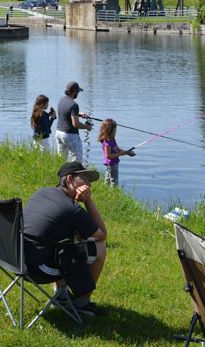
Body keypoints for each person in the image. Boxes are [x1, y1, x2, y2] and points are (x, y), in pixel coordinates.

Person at [22, 161, 109, 318]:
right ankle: (82, 303)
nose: (89, 184)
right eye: (85, 178)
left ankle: (61, 297)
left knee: (63, 242)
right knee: (100, 248)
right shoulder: (71, 208)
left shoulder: (42, 192)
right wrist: (88, 201)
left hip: (16, 260)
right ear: (69, 179)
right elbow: (102, 234)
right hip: (38, 270)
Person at [56, 81, 91, 163]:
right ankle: (74, 175)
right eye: (78, 91)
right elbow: (76, 124)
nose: (78, 93)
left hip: (59, 133)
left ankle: (61, 174)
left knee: (61, 160)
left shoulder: (61, 100)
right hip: (70, 135)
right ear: (74, 91)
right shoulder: (74, 105)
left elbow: (66, 112)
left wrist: (78, 114)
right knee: (77, 160)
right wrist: (87, 127)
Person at [98, 118, 134, 186]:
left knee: (107, 181)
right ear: (110, 130)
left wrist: (127, 152)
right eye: (115, 130)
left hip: (113, 164)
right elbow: (108, 156)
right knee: (114, 182)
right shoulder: (107, 142)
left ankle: (106, 193)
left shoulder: (112, 139)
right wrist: (120, 154)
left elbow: (117, 149)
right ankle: (113, 193)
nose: (116, 131)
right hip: (111, 164)